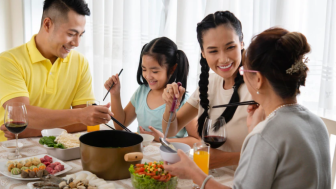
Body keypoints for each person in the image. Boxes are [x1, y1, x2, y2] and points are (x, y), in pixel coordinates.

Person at [164, 27, 331, 189]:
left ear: (257, 79)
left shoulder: (264, 135)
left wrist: (194, 173)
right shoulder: (317, 124)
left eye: (244, 71)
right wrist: (253, 129)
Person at [0, 0, 113, 142]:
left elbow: (86, 121)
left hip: (57, 149)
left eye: (80, 35)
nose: (77, 43)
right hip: (11, 150)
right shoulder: (8, 61)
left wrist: (36, 130)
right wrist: (79, 115)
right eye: (72, 34)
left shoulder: (80, 62)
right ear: (47, 24)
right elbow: (20, 115)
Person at [162, 11, 251, 168]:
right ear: (203, 53)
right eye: (213, 51)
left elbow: (272, 152)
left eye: (230, 47)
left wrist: (224, 159)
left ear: (242, 43)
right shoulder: (209, 83)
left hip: (243, 178)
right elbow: (170, 131)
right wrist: (170, 107)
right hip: (205, 175)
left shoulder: (258, 87)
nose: (223, 59)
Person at [104, 37, 200, 146]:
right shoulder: (142, 92)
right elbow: (120, 124)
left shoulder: (182, 100)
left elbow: (197, 140)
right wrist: (115, 94)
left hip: (168, 158)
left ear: (172, 69)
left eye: (154, 71)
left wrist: (163, 139)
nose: (148, 76)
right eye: (144, 69)